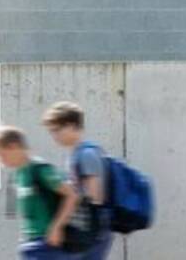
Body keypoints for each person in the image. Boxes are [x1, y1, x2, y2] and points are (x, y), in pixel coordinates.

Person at [42, 101, 113, 260]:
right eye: (52, 131)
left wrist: (68, 197)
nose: (54, 136)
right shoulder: (76, 154)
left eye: (57, 130)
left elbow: (95, 196)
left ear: (72, 126)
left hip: (94, 229)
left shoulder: (86, 154)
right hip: (87, 229)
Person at [0, 125, 79, 260]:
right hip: (30, 245)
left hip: (47, 246)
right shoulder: (18, 175)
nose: (1, 161)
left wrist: (57, 227)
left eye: (1, 154)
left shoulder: (40, 169)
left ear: (14, 146)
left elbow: (72, 195)